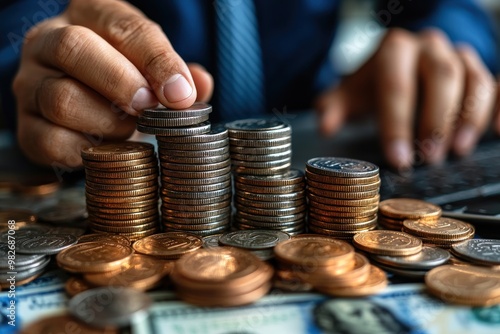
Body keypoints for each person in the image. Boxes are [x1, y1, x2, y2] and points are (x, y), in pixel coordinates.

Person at [0, 0, 498, 171]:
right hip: (122, 159)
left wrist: (440, 46)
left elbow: (445, 9)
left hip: (317, 136)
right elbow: (22, 21)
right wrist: (29, 55)